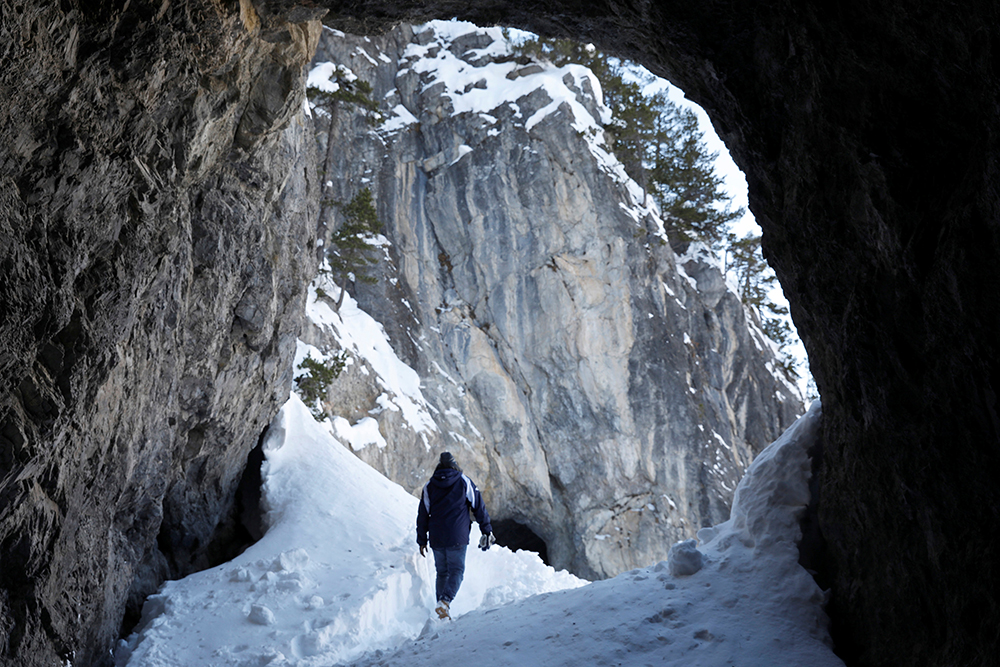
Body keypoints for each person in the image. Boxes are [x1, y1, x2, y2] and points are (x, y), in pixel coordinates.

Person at [416, 452, 495, 619]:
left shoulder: (429, 486)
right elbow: (478, 506)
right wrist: (486, 529)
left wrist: (422, 539)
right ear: (455, 465)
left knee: (442, 572)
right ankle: (444, 602)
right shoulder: (464, 481)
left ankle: (442, 609)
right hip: (457, 536)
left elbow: (423, 514)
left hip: (437, 537)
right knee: (457, 571)